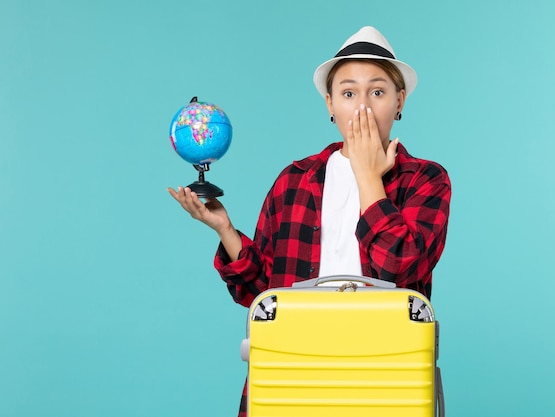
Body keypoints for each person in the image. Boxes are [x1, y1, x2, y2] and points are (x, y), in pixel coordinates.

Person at [168, 26, 451, 417]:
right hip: (293, 374)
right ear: (330, 105)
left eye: (379, 92)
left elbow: (399, 265)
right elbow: (264, 298)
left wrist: (369, 177)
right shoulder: (295, 180)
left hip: (385, 378)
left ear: (399, 101)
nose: (362, 107)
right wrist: (225, 231)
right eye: (348, 93)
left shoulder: (425, 179)